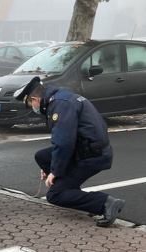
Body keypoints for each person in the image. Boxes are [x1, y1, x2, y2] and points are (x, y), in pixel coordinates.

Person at [13, 76, 125, 227]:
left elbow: (64, 143)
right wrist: (53, 167)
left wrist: (55, 171)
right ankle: (68, 190)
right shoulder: (61, 98)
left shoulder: (59, 106)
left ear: (35, 99)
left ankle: (105, 203)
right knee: (42, 157)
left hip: (92, 155)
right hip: (87, 149)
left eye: (30, 104)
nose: (32, 108)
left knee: (55, 195)